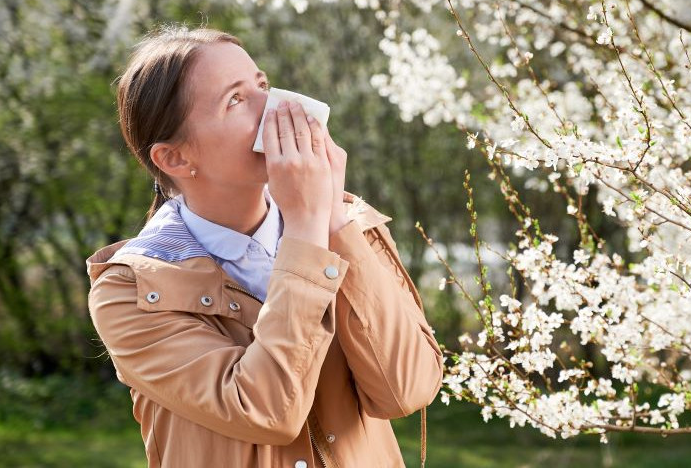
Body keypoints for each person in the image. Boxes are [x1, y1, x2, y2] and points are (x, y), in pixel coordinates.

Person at [85, 25, 443, 467]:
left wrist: (331, 222)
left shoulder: (350, 226)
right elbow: (267, 411)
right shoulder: (129, 292)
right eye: (235, 99)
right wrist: (308, 230)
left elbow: (406, 389)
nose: (277, 108)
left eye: (262, 85)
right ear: (175, 158)